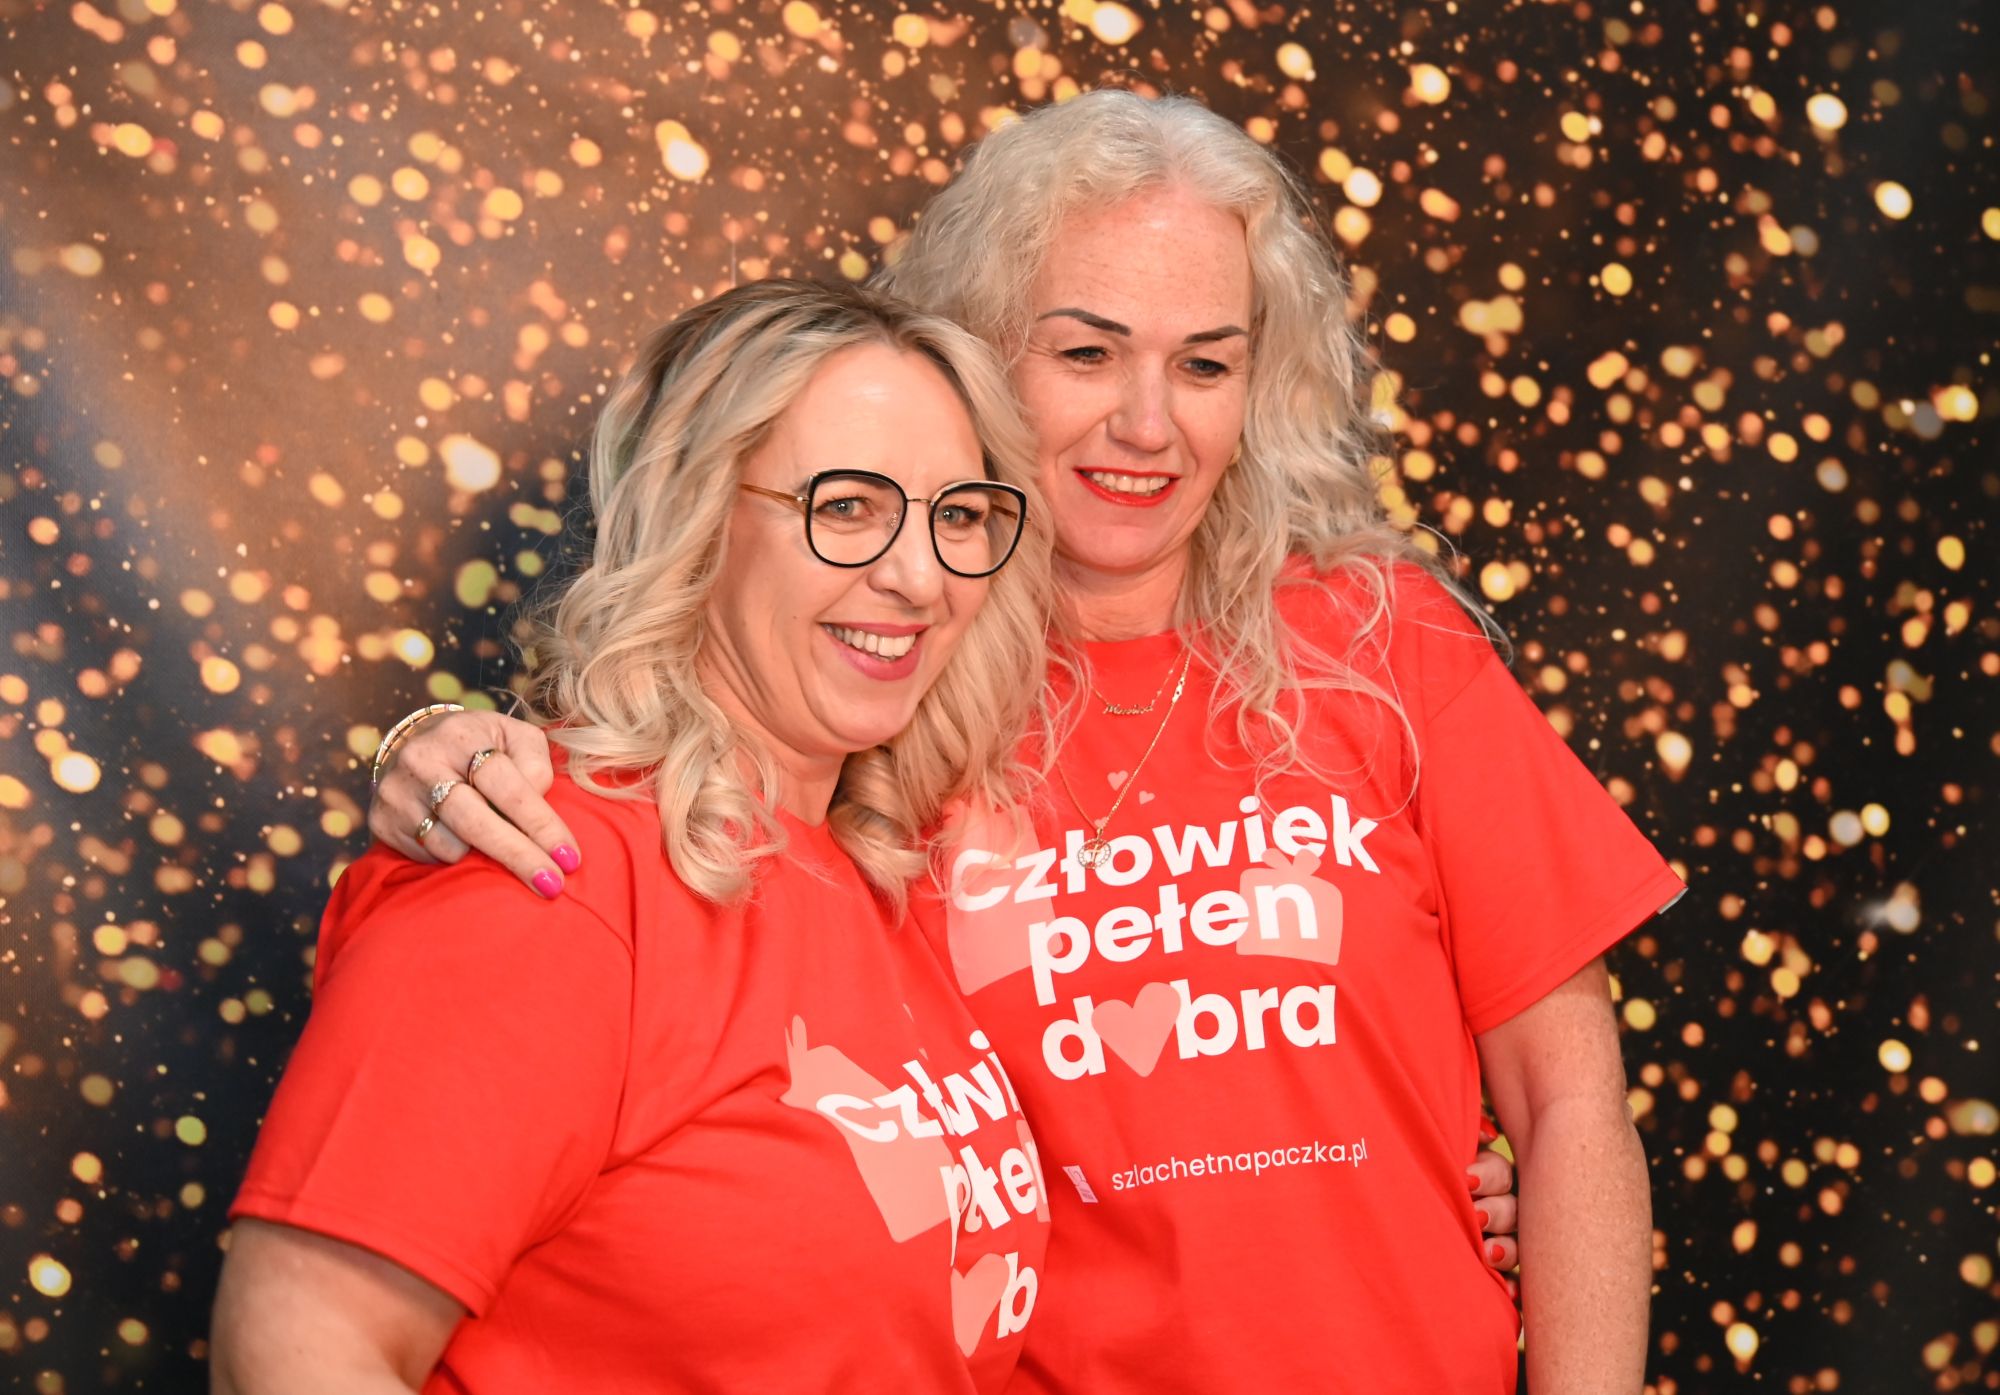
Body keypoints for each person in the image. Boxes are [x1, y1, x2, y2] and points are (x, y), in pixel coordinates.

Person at [366, 92, 1682, 1393]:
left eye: (1205, 364)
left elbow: (1569, 1105)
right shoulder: (885, 677)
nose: (1148, 424)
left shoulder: (1380, 642)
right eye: (1087, 354)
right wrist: (442, 750)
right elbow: (660, 811)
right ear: (982, 353)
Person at [211, 279, 1059, 1394]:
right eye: (847, 506)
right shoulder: (547, 876)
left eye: (957, 516)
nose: (916, 577)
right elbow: (291, 1352)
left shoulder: (873, 873)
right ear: (695, 518)